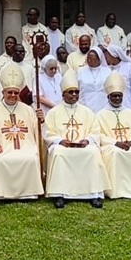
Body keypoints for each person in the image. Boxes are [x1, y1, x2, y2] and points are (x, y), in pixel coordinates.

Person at [43, 69, 108, 209]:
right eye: (70, 92)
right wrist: (60, 141)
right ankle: (59, 194)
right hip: (62, 145)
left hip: (83, 145)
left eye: (76, 92)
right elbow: (48, 133)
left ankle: (94, 194)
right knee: (58, 153)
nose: (74, 95)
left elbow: (95, 131)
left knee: (93, 152)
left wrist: (87, 140)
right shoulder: (53, 112)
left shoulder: (87, 111)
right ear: (63, 94)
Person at [0, 64, 45, 200]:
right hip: (2, 147)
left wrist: (41, 121)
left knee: (31, 158)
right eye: (9, 92)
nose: (13, 95)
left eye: (16, 93)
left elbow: (35, 130)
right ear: (3, 92)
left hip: (25, 146)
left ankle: (29, 192)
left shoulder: (27, 109)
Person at [94, 72, 131, 199]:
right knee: (116, 153)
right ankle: (116, 190)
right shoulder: (100, 115)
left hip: (129, 143)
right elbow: (99, 135)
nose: (117, 98)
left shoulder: (130, 113)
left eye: (119, 96)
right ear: (108, 97)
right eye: (114, 96)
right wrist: (116, 143)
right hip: (110, 146)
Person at [100, 44, 131, 113]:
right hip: (111, 108)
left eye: (107, 55)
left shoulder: (129, 67)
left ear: (114, 55)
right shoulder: (108, 69)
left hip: (128, 105)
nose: (106, 58)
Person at [76, 47, 112, 113]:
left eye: (92, 58)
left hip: (103, 106)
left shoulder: (107, 71)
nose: (89, 60)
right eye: (88, 58)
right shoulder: (81, 71)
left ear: (99, 59)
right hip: (85, 106)